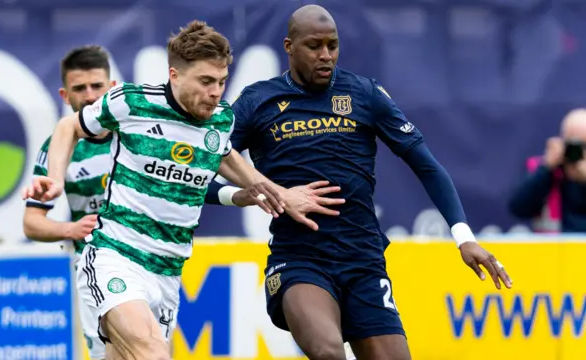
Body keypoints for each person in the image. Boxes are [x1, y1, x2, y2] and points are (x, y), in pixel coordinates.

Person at [205, 5, 513, 360]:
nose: (326, 56)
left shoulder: (364, 94)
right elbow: (199, 173)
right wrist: (244, 195)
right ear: (289, 46)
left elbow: (426, 165)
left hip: (363, 261)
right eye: (314, 46)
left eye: (332, 46)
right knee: (328, 352)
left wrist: (464, 238)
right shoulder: (257, 101)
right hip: (299, 259)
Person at [22, 20, 342, 360]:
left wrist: (275, 193)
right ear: (174, 75)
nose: (216, 92)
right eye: (205, 81)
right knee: (154, 354)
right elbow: (69, 124)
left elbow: (223, 157)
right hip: (116, 256)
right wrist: (56, 179)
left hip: (168, 273)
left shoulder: (220, 120)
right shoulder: (132, 103)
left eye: (221, 82)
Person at [23, 45, 115, 360]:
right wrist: (70, 228)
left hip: (148, 260)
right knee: (108, 353)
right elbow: (32, 222)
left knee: (154, 348)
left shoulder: (136, 132)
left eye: (97, 86)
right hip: (93, 263)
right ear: (65, 95)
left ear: (112, 88)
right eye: (79, 88)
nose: (89, 96)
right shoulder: (58, 146)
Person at [509, 108, 586, 233]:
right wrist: (546, 169)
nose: (577, 153)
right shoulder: (545, 170)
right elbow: (518, 208)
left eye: (584, 146)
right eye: (572, 145)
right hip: (552, 250)